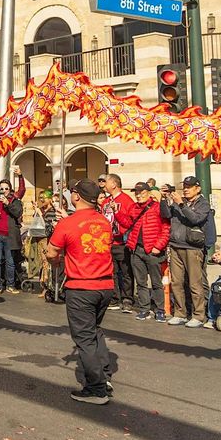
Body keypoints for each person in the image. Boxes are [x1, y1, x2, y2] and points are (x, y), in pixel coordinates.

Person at [45, 179, 115, 405]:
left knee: (84, 338)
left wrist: (56, 260)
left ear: (76, 196)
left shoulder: (68, 224)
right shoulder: (104, 221)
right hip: (105, 285)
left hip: (82, 286)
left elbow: (51, 251)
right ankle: (104, 374)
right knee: (94, 331)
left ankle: (96, 388)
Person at [160, 176, 212, 328]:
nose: (186, 189)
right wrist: (164, 199)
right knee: (176, 282)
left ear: (198, 188)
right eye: (185, 186)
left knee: (195, 283)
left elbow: (195, 219)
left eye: (189, 187)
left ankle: (198, 315)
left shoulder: (203, 204)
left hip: (193, 247)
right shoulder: (178, 201)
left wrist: (181, 204)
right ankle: (180, 313)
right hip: (176, 245)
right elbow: (165, 215)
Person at [126, 182, 169, 322]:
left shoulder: (157, 207)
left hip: (152, 250)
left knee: (156, 282)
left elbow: (166, 228)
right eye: (136, 193)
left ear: (149, 193)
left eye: (141, 192)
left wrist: (159, 246)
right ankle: (144, 309)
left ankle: (160, 310)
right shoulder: (134, 208)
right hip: (137, 249)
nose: (138, 195)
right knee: (141, 282)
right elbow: (126, 223)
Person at [100, 173, 138, 313]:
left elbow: (130, 221)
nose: (104, 185)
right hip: (108, 242)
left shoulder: (127, 200)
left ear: (114, 184)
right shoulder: (105, 201)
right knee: (112, 272)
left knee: (126, 272)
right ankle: (115, 298)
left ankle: (127, 298)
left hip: (122, 242)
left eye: (107, 182)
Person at [0, 178, 24, 294]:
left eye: (6, 189)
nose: (4, 191)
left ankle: (10, 285)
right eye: (1, 189)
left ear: (10, 189)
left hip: (10, 235)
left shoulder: (14, 200)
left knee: (10, 261)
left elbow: (18, 213)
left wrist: (8, 204)